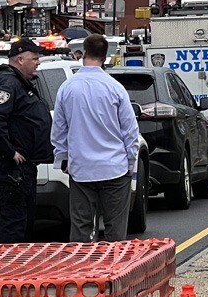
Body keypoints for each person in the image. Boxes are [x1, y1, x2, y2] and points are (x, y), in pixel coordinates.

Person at [51, 34, 141, 242]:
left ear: (83, 53)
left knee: (81, 228)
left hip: (81, 169)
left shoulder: (67, 88)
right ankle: (114, 271)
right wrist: (130, 161)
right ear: (105, 56)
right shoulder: (115, 88)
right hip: (114, 168)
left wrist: (63, 158)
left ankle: (84, 271)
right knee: (115, 230)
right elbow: (130, 130)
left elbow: (58, 131)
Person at [0, 38, 53, 243]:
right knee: (14, 220)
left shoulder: (20, 83)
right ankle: (8, 266)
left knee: (23, 220)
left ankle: (19, 266)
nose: (38, 63)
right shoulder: (8, 83)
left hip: (24, 167)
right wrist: (10, 151)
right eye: (35, 58)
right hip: (13, 167)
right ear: (20, 59)